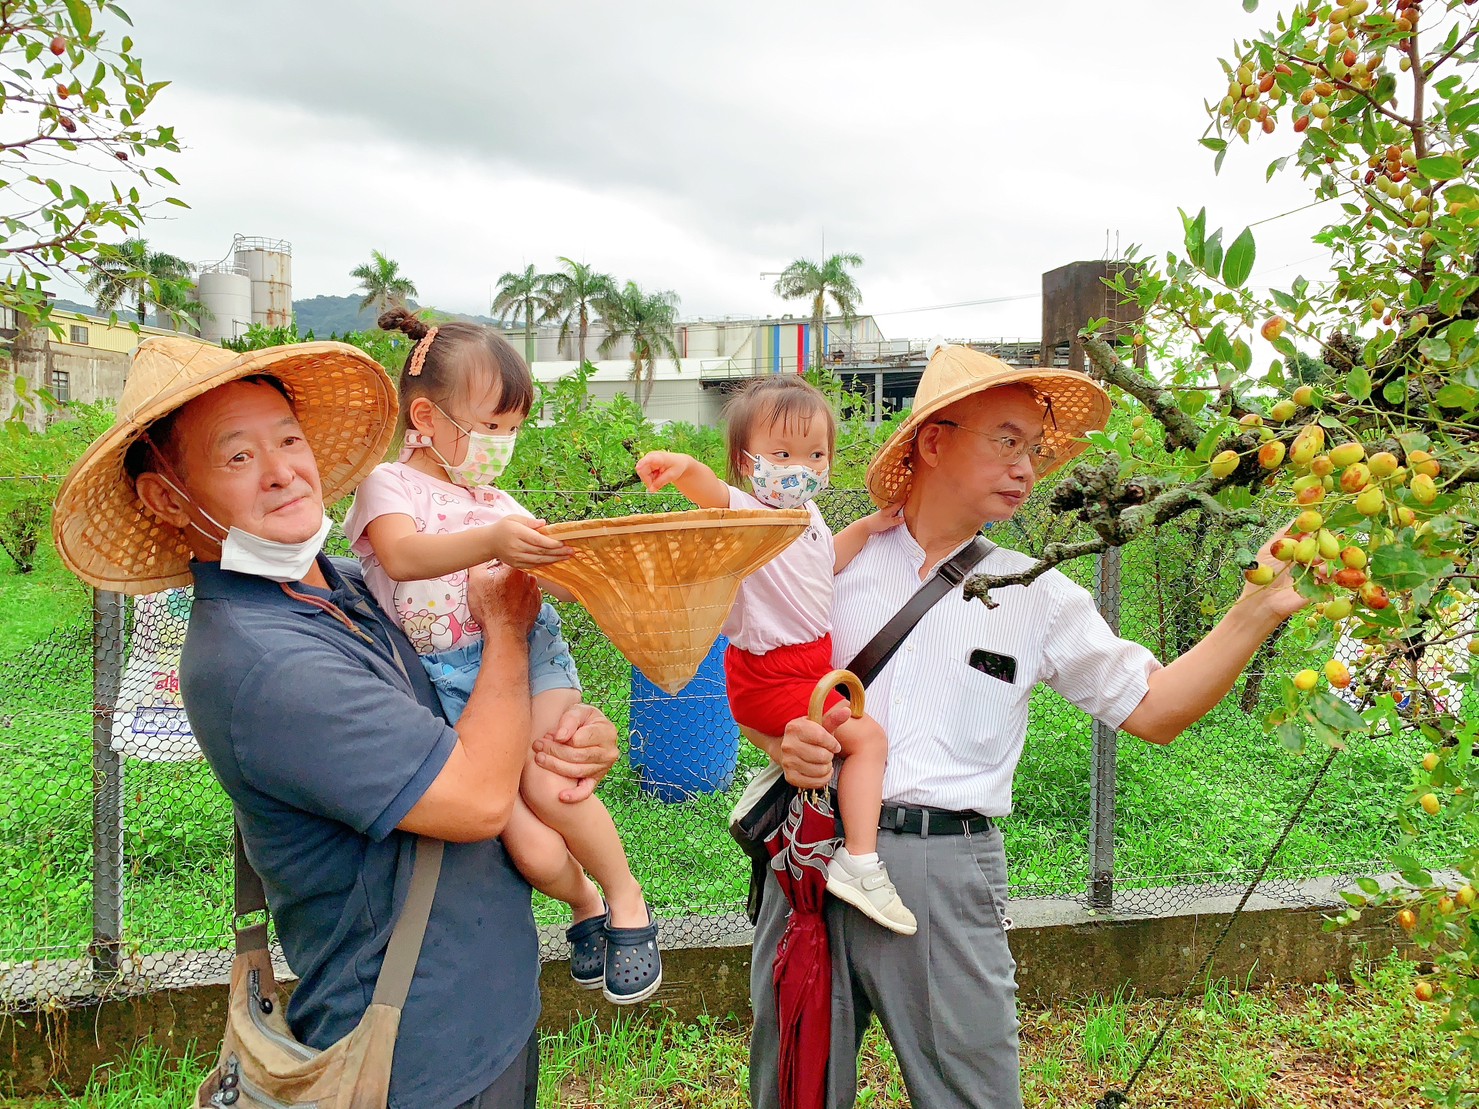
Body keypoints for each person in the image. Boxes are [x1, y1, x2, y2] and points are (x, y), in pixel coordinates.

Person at [51, 336, 622, 1109]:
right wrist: (510, 634)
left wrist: (566, 737)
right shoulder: (264, 664)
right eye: (238, 457)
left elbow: (474, 709)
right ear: (164, 499)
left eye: (288, 439)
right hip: (415, 1058)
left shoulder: (345, 586)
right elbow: (478, 799)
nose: (284, 469)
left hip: (488, 1007)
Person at [742, 345, 1311, 1109]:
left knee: (973, 1096)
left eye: (1033, 450)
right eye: (1005, 440)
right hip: (808, 855)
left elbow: (1154, 708)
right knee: (792, 1089)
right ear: (933, 441)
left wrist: (1256, 609)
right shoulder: (825, 563)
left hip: (940, 873)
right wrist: (781, 740)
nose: (1026, 467)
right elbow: (757, 675)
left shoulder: (1039, 596)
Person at [344, 308, 659, 1005]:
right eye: (490, 426)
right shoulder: (389, 487)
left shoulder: (500, 502)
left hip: (530, 658)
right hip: (454, 687)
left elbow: (562, 591)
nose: (502, 443)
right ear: (425, 415)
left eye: (513, 428)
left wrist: (590, 568)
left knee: (550, 786)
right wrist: (496, 543)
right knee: (531, 846)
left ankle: (626, 894)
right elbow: (401, 554)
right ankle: (584, 904)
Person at [636, 375, 915, 934]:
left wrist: (866, 526)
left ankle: (827, 844)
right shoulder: (748, 513)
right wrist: (681, 467)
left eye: (815, 454)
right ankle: (859, 862)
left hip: (810, 663)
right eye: (782, 453)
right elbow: (710, 490)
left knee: (835, 751)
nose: (800, 467)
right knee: (867, 740)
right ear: (747, 462)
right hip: (772, 671)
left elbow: (821, 565)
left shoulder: (808, 517)